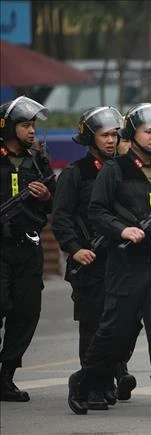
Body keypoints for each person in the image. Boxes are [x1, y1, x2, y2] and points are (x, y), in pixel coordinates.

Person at [67, 103, 151, 418]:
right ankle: (84, 379)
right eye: (148, 131)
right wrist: (123, 230)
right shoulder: (115, 169)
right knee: (115, 331)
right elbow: (96, 211)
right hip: (126, 265)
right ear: (133, 134)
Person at [52, 106, 138, 410]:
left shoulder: (123, 171)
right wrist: (75, 248)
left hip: (120, 261)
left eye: (116, 134)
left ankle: (109, 376)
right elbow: (61, 217)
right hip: (89, 261)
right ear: (90, 138)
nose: (112, 140)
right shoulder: (76, 174)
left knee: (122, 325)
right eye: (105, 135)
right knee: (92, 327)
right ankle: (92, 386)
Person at [0, 96, 55, 402]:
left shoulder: (38, 161)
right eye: (24, 124)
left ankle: (6, 376)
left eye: (33, 124)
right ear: (8, 127)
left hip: (28, 245)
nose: (31, 130)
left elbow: (56, 203)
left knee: (26, 311)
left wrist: (46, 194)